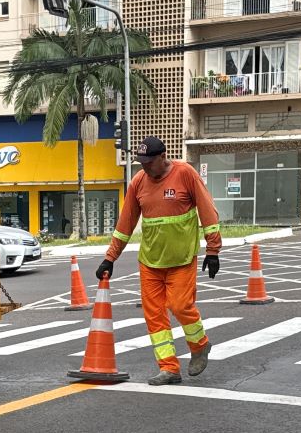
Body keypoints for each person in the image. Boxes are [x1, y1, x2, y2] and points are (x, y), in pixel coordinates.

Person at [95, 136, 222, 386]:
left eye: (149, 162)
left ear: (162, 157)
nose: (144, 168)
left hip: (181, 260)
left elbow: (207, 211)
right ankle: (169, 368)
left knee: (180, 305)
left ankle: (200, 345)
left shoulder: (185, 174)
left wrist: (213, 250)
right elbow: (125, 224)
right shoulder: (138, 182)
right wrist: (110, 258)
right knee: (154, 316)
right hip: (151, 262)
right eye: (141, 163)